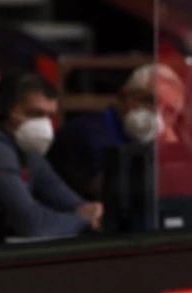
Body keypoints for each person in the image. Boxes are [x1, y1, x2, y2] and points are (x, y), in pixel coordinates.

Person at [0, 72, 102, 242]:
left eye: (50, 116)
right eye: (35, 114)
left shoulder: (23, 142)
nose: (43, 125)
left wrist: (91, 211)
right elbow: (31, 223)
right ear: (6, 111)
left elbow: (60, 194)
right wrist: (86, 222)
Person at [48, 63, 185, 200]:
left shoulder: (151, 141)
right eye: (150, 101)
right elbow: (113, 192)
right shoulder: (85, 133)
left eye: (168, 111)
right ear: (123, 98)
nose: (157, 114)